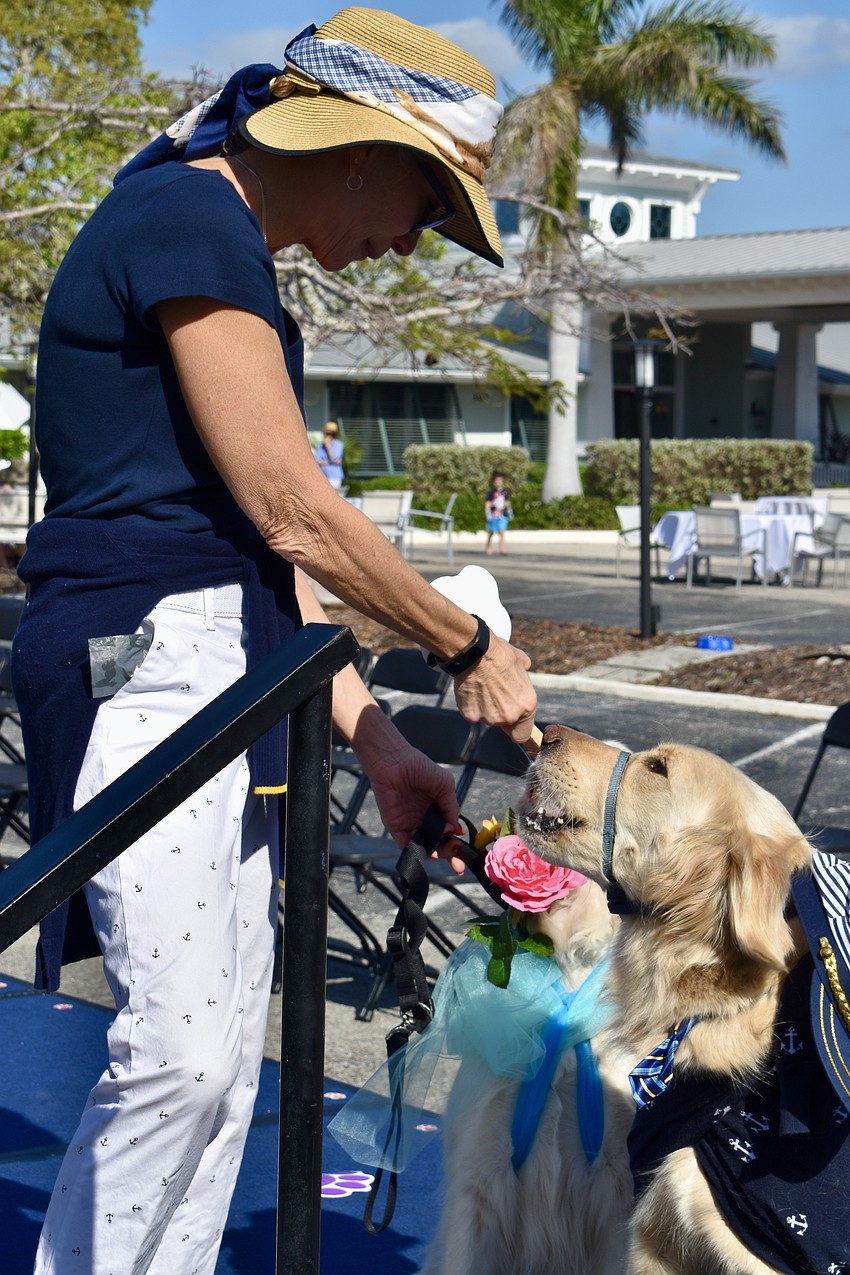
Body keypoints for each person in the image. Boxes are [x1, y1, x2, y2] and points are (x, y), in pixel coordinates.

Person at [12, 9, 537, 1273]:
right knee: (185, 1057)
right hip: (141, 654)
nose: (414, 238)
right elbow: (292, 509)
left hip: (223, 661)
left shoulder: (214, 235)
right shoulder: (189, 220)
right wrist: (464, 643)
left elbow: (263, 562)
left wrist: (380, 740)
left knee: (223, 1066)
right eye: (426, 196)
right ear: (358, 146)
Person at [485, 470, 514, 556]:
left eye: (500, 481)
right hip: (494, 515)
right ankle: (488, 547)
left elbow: (507, 502)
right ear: (494, 483)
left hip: (502, 515)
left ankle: (502, 549)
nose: (499, 483)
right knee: (491, 532)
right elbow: (487, 504)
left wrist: (509, 511)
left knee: (502, 532)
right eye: (497, 481)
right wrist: (488, 514)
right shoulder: (491, 493)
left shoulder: (505, 492)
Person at [314, 418, 345, 487]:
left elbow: (334, 459)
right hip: (322, 476)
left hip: (335, 477)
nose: (328, 435)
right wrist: (331, 461)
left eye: (330, 434)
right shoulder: (320, 446)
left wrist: (328, 447)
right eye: (327, 433)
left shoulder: (339, 445)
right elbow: (317, 462)